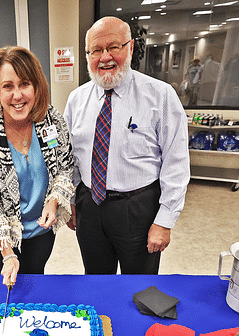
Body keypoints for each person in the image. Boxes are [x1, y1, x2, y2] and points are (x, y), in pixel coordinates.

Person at [63, 17, 190, 275]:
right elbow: (71, 158)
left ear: (130, 48)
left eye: (114, 47)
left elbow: (176, 163)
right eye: (96, 50)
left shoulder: (160, 95)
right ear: (87, 55)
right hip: (90, 206)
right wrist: (72, 202)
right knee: (96, 281)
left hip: (138, 209)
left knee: (139, 287)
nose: (105, 57)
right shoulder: (77, 100)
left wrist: (164, 221)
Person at [0, 46, 75, 287]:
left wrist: (53, 200)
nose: (17, 95)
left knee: (35, 287)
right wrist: (8, 254)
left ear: (36, 86)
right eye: (8, 86)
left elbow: (65, 167)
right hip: (0, 235)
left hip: (40, 232)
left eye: (24, 83)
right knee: (8, 294)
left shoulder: (51, 119)